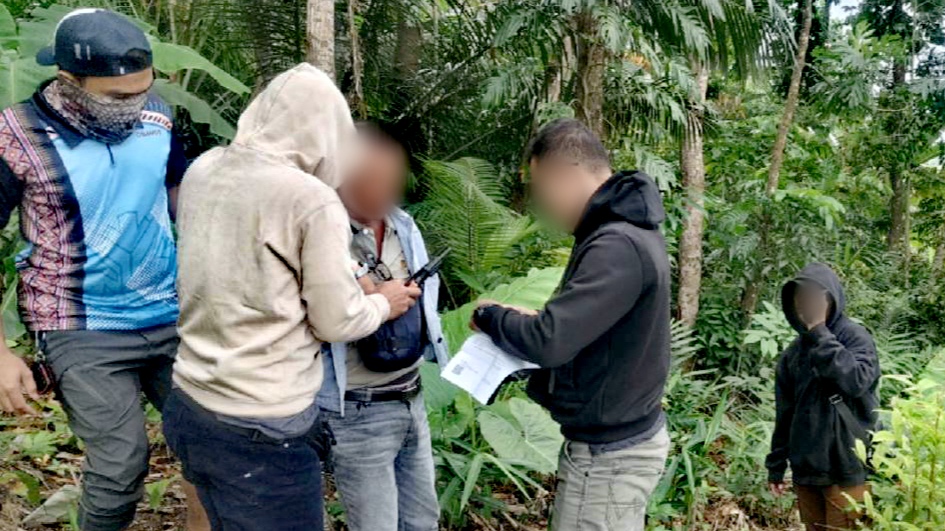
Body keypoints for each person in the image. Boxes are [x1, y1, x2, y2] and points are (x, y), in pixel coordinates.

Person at [162, 64, 421, 531]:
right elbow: (336, 322)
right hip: (263, 420)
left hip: (192, 402)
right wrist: (383, 302)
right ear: (327, 131)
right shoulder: (309, 198)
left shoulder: (205, 168)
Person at [0, 9, 208, 531]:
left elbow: (185, 199)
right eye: (118, 97)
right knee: (120, 467)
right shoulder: (16, 137)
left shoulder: (156, 119)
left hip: (170, 313)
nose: (135, 107)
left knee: (212, 446)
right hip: (79, 324)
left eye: (143, 92)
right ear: (69, 79)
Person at [471, 118, 671, 531]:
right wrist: (533, 321)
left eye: (542, 189)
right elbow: (591, 329)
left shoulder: (616, 243)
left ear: (566, 175)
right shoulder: (628, 231)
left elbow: (550, 343)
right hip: (617, 445)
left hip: (608, 458)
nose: (542, 205)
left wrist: (490, 316)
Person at [316, 122, 449, 531]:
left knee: (422, 519)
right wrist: (378, 302)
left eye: (390, 177)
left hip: (410, 397)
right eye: (371, 176)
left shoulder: (404, 226)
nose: (382, 187)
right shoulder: (322, 232)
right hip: (358, 407)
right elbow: (321, 317)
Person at [766, 263, 880, 531]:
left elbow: (855, 382)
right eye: (801, 299)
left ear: (831, 298)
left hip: (848, 469)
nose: (807, 305)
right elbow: (785, 414)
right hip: (808, 472)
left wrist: (821, 334)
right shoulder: (793, 354)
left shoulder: (855, 338)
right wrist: (776, 465)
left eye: (815, 297)